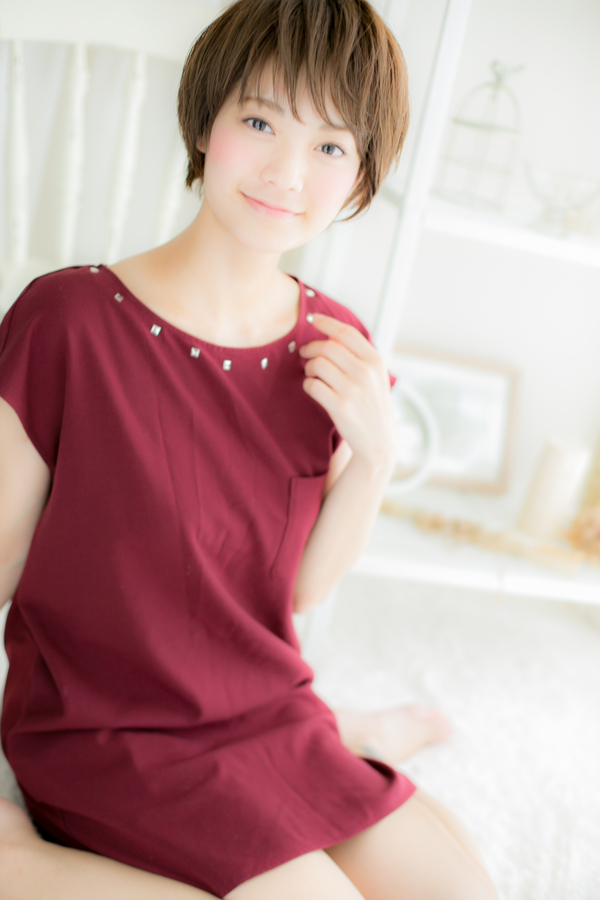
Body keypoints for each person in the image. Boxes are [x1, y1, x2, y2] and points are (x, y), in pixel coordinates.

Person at [0, 0, 496, 897]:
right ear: (206, 121)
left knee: (464, 891)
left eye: (330, 146)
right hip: (108, 734)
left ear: (360, 175)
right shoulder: (66, 322)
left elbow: (294, 593)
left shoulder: (336, 347)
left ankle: (354, 731)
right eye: (260, 122)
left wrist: (376, 458)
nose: (286, 173)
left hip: (265, 710)